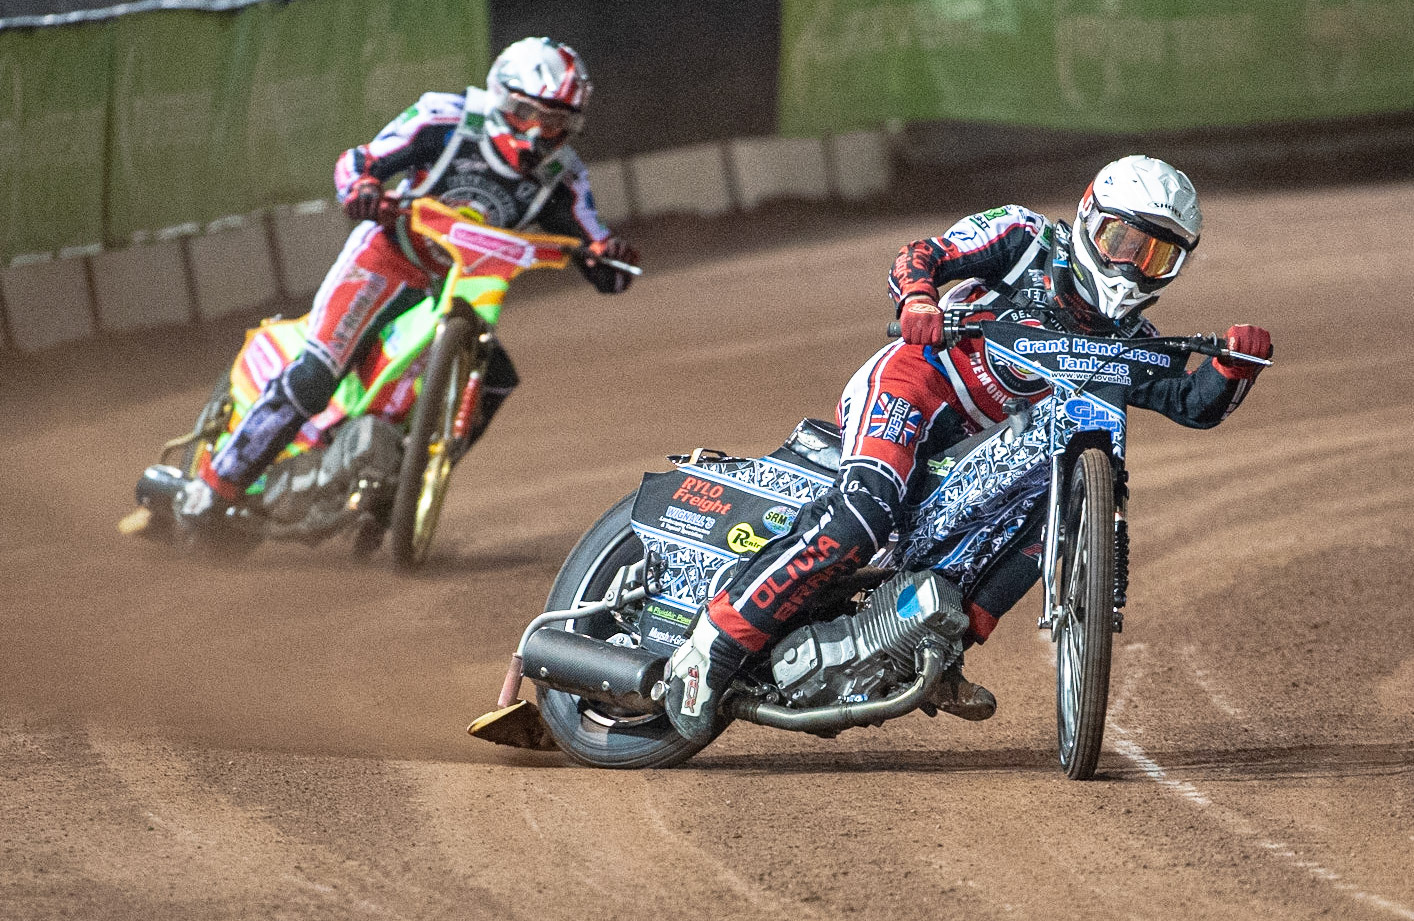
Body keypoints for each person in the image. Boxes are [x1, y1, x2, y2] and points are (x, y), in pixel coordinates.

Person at [663, 154, 1273, 744]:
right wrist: (918, 300)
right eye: (1122, 242)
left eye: (1157, 255)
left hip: (979, 448)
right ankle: (713, 646)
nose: (1132, 267)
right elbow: (923, 254)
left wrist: (1233, 367)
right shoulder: (1026, 237)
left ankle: (940, 649)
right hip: (917, 384)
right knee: (865, 515)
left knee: (1052, 509)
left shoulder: (1131, 340)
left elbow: (1191, 404)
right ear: (1089, 219)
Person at [176, 37, 639, 533]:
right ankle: (214, 486)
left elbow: (598, 248)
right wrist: (363, 188)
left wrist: (610, 259)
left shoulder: (562, 178)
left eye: (555, 123)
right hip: (388, 258)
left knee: (497, 377)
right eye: (530, 114)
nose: (539, 133)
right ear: (504, 99)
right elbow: (359, 161)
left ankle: (407, 486)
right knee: (318, 371)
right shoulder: (447, 119)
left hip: (463, 288)